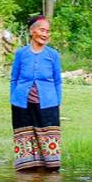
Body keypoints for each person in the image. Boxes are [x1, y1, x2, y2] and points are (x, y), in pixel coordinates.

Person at [9, 15, 63, 172]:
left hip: (48, 103)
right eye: (42, 30)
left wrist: (57, 101)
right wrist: (14, 98)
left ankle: (50, 171)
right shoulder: (21, 54)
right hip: (21, 103)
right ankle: (28, 172)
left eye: (48, 31)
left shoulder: (53, 55)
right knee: (25, 136)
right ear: (32, 31)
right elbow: (14, 79)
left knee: (47, 136)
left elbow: (57, 81)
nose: (45, 34)